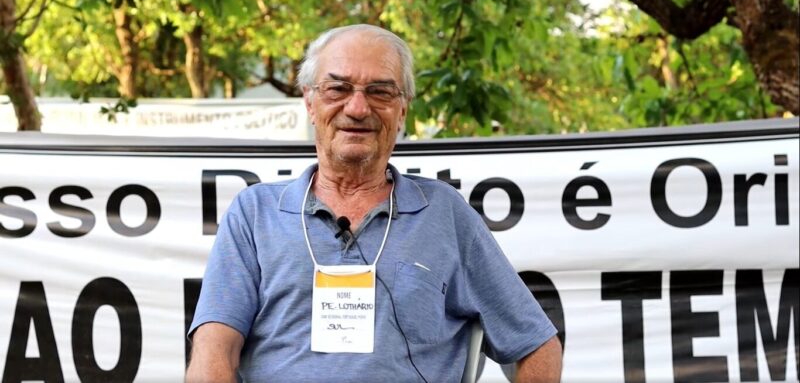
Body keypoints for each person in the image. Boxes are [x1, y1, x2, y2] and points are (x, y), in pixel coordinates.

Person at [186, 24, 562, 382]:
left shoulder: (445, 214)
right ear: (310, 102)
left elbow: (537, 346)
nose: (358, 108)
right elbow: (213, 353)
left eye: (380, 92)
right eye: (338, 89)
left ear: (402, 109)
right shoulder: (254, 213)